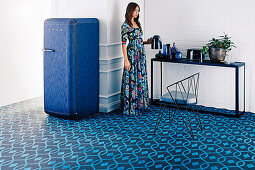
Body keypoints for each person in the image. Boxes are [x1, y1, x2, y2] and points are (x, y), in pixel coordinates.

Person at [120, 2, 152, 116]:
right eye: (135, 10)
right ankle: (131, 106)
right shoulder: (125, 25)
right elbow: (124, 43)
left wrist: (146, 42)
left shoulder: (137, 23)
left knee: (140, 78)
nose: (137, 13)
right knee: (132, 79)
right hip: (132, 55)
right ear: (130, 11)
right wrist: (126, 60)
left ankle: (141, 104)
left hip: (141, 55)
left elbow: (138, 40)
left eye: (138, 10)